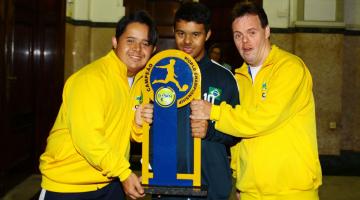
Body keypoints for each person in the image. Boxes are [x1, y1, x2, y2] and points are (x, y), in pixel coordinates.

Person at [190, 2, 322, 200]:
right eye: (238, 35)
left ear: (266, 31)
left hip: (292, 191)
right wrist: (239, 176)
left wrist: (214, 111)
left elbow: (262, 118)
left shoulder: (290, 69)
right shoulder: (239, 78)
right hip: (250, 191)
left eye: (252, 32)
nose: (245, 41)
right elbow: (237, 132)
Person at [38, 10, 157, 200]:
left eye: (145, 43)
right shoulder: (90, 79)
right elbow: (88, 138)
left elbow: (132, 135)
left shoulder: (142, 82)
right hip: (68, 186)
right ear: (115, 42)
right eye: (130, 41)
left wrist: (138, 123)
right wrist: (125, 172)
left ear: (153, 50)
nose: (137, 49)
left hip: (110, 182)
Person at [152, 2, 240, 200]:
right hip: (168, 184)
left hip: (212, 185)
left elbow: (238, 131)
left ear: (207, 35)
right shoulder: (157, 74)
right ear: (174, 32)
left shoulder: (224, 78)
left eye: (195, 34)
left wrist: (210, 131)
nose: (187, 41)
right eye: (181, 33)